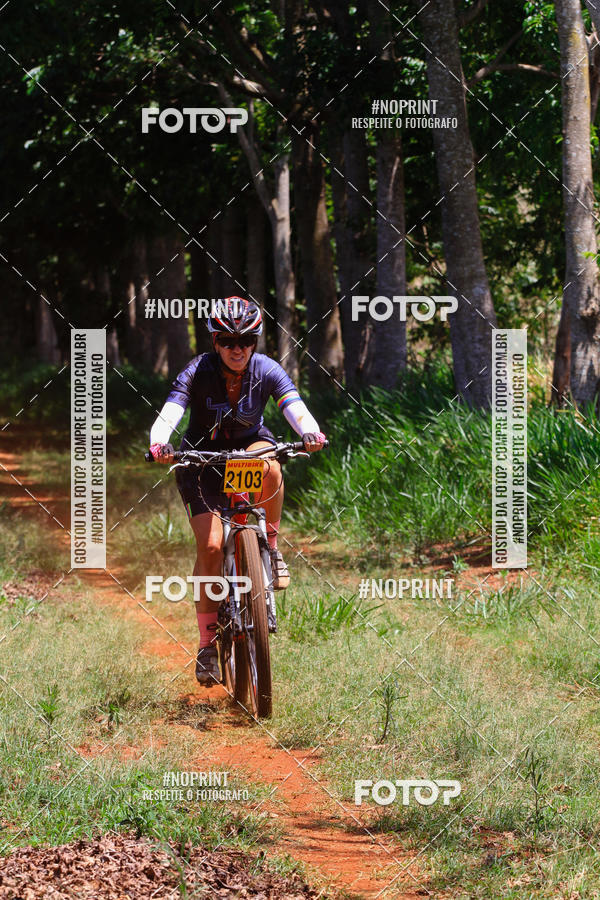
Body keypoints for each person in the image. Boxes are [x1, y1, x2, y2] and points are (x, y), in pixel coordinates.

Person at [148, 296, 326, 685]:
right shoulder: (196, 370)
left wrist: (310, 432)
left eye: (246, 340)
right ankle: (207, 644)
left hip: (248, 448)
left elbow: (293, 406)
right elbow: (172, 410)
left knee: (272, 466)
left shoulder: (268, 369)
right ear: (215, 341)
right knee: (211, 548)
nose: (238, 349)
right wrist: (160, 442)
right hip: (203, 460)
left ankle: (272, 550)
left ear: (256, 342)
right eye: (228, 340)